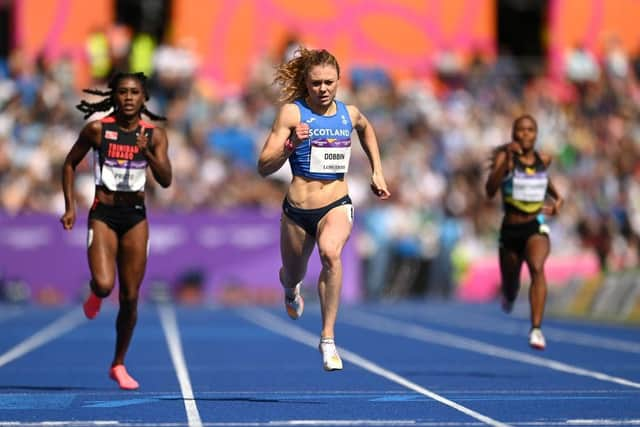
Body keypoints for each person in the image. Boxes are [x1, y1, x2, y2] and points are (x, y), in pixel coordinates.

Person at [257, 47, 390, 370]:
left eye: (329, 82)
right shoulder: (292, 114)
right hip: (297, 210)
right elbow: (263, 166)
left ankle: (328, 339)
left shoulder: (350, 113)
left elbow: (366, 130)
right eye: (316, 83)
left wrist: (377, 170)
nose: (323, 89)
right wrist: (291, 146)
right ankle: (290, 288)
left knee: (331, 254)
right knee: (294, 273)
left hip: (336, 203)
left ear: (339, 81)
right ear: (306, 82)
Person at [60, 72, 172, 389]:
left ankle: (118, 363)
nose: (127, 97)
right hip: (103, 214)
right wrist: (70, 207)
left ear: (144, 97)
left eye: (134, 92)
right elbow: (69, 163)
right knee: (106, 284)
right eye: (121, 92)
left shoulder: (155, 135)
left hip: (136, 215)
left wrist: (146, 152)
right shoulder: (98, 129)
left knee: (131, 296)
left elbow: (166, 180)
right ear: (114, 96)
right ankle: (96, 293)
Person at [485, 114, 563, 350]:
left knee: (537, 267)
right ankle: (508, 295)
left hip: (534, 226)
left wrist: (558, 199)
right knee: (511, 285)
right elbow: (490, 190)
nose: (525, 134)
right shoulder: (505, 158)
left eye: (530, 130)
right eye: (521, 130)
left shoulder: (544, 159)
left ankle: (536, 329)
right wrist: (505, 161)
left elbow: (543, 180)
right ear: (514, 133)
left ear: (536, 134)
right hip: (510, 230)